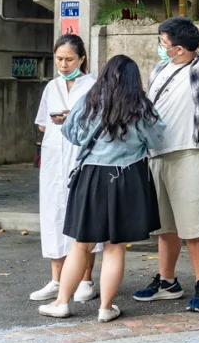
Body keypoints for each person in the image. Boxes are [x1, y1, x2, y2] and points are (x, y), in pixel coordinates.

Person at [38, 55, 164, 320]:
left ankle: (61, 303)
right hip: (128, 178)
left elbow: (71, 132)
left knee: (80, 245)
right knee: (114, 246)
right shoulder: (140, 106)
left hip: (91, 176)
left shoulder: (90, 101)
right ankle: (105, 308)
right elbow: (155, 138)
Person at [133, 17, 199, 312]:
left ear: (179, 49)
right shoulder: (160, 68)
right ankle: (167, 281)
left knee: (195, 226)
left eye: (164, 43)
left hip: (190, 152)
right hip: (157, 154)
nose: (160, 47)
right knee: (165, 226)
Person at [30, 35, 102, 304]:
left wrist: (72, 118)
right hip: (53, 158)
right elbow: (41, 124)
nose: (63, 64)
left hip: (79, 157)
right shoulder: (51, 87)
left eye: (69, 59)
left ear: (81, 59)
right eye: (59, 59)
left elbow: (100, 123)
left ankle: (86, 279)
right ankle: (56, 278)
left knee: (81, 217)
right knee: (53, 216)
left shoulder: (93, 86)